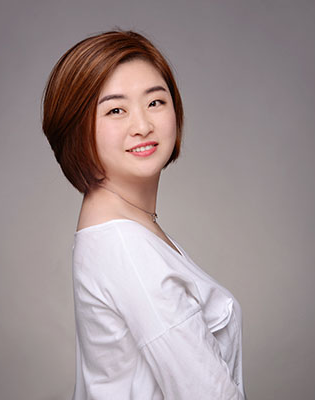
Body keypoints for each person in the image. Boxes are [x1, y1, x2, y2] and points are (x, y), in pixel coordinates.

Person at [42, 30, 246, 399]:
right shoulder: (126, 246)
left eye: (155, 102)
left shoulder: (122, 225)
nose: (142, 126)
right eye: (115, 110)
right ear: (77, 126)